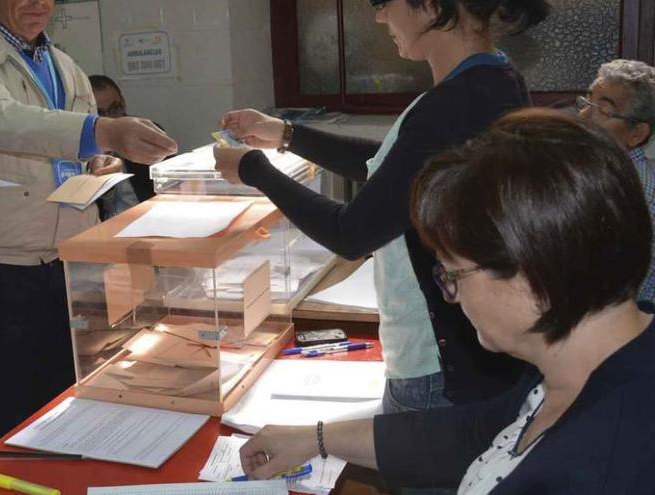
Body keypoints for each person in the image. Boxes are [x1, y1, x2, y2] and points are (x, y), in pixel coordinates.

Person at [239, 109, 655, 494]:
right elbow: (479, 432)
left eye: (453, 275)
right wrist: (315, 439)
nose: (451, 298)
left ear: (533, 271)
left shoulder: (604, 463)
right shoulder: (584, 361)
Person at [214, 0, 551, 414]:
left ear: (429, 7)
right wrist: (286, 134)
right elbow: (399, 168)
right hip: (457, 358)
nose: (378, 17)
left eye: (382, 3)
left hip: (438, 368)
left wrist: (253, 170)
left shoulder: (455, 103)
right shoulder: (489, 79)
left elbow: (351, 233)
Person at [0, 0, 176, 451]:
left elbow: (64, 146)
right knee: (4, 417)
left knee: (66, 409)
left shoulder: (63, 64)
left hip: (66, 266)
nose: (38, 3)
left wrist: (95, 161)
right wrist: (103, 131)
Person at [576, 59, 655, 305]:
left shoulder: (633, 190)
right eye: (586, 102)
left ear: (636, 134)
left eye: (603, 111)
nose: (584, 116)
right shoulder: (603, 168)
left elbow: (617, 289)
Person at [89, 74, 161, 217]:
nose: (110, 119)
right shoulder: (76, 149)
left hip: (148, 218)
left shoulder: (146, 135)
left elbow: (169, 186)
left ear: (123, 103)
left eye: (114, 109)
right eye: (100, 114)